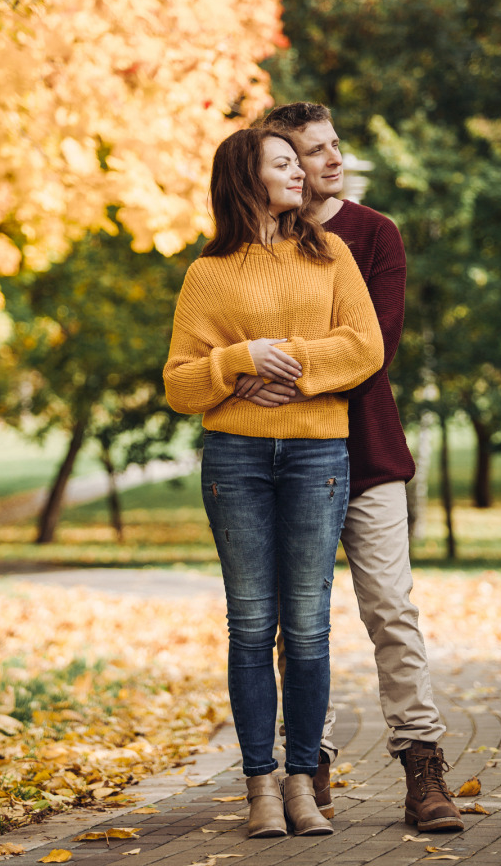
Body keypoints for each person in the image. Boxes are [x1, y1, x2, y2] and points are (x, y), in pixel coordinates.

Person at [233, 102, 464, 833]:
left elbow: (375, 349)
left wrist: (281, 369)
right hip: (283, 457)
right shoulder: (256, 248)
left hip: (368, 458)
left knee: (391, 611)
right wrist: (251, 366)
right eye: (311, 152)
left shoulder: (374, 235)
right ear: (284, 168)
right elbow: (239, 340)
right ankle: (312, 764)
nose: (331, 161)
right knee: (299, 623)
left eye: (334, 147)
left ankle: (422, 766)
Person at [163, 127, 384, 839]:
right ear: (247, 178)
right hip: (237, 461)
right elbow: (179, 383)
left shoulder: (331, 254)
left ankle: (301, 785)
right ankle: (259, 786)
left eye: (300, 163)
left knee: (311, 629)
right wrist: (236, 361)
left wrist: (281, 363)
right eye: (284, 164)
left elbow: (364, 346)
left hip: (319, 458)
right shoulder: (208, 272)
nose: (302, 174)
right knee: (253, 626)